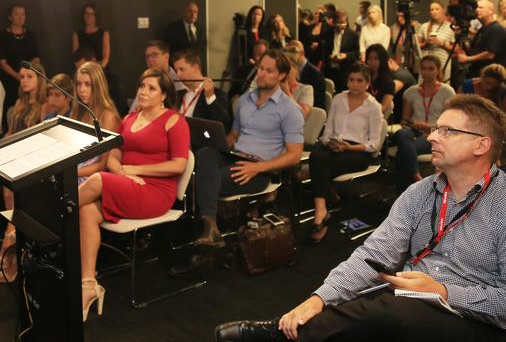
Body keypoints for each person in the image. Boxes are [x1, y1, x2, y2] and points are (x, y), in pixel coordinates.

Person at [215, 94, 506, 342]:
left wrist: (442, 291)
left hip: (474, 318)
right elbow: (374, 253)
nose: (431, 136)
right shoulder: (420, 192)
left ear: (481, 145)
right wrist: (318, 299)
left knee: (394, 314)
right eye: (436, 128)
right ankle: (291, 328)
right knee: (373, 306)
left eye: (447, 131)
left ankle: (282, 335)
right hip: (410, 299)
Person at [77, 68, 189, 321]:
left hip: (156, 192)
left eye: (151, 88)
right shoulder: (129, 118)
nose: (144, 92)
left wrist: (133, 169)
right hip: (126, 183)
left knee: (96, 180)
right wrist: (123, 173)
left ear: (163, 95)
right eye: (142, 86)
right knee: (86, 210)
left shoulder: (174, 120)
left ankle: (54, 211)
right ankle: (88, 285)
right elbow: (114, 154)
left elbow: (179, 165)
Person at [182, 50, 303, 255]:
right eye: (260, 68)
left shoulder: (289, 109)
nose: (261, 74)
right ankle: (210, 227)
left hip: (261, 168)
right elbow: (234, 136)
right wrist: (219, 140)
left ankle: (206, 236)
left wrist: (258, 167)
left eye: (269, 71)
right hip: (236, 156)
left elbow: (295, 155)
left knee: (202, 181)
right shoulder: (245, 100)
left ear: (281, 75)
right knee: (204, 154)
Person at [308, 62, 383, 243]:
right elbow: (326, 135)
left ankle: (321, 209)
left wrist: (348, 147)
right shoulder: (338, 99)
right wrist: (331, 143)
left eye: (360, 80)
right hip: (335, 147)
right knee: (318, 154)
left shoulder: (374, 106)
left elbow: (374, 145)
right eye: (351, 80)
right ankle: (322, 209)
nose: (355, 84)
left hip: (358, 152)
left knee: (319, 163)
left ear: (367, 82)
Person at [0, 60, 48, 283]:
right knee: (5, 183)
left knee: (10, 186)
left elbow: (43, 139)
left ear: (40, 80)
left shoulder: (44, 105)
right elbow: (11, 134)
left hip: (33, 158)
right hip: (16, 157)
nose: (24, 80)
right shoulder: (19, 103)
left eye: (30, 77)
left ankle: (10, 240)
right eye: (22, 77)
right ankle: (11, 236)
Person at [393, 55, 455, 191]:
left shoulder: (447, 92)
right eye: (424, 68)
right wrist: (414, 126)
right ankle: (416, 177)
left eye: (431, 69)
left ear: (438, 70)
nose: (427, 72)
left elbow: (450, 127)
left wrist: (427, 128)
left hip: (438, 133)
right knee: (401, 133)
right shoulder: (411, 92)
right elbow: (404, 120)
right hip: (414, 131)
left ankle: (404, 189)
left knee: (403, 151)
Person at [69, 62, 121, 183]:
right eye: (79, 84)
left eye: (88, 84)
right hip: (73, 172)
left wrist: (70, 173)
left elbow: (102, 165)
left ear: (98, 86)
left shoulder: (108, 116)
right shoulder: (78, 112)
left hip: (91, 180)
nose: (82, 90)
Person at [0, 4, 40, 122]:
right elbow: (2, 62)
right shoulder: (2, 37)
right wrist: (18, 76)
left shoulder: (31, 35)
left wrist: (30, 74)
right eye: (16, 14)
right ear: (10, 17)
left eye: (22, 14)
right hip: (10, 80)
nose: (20, 17)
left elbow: (36, 58)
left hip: (30, 77)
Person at [172, 49, 230, 130]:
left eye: (181, 69)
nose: (178, 75)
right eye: (176, 70)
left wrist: (210, 98)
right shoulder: (178, 95)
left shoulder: (217, 94)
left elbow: (223, 125)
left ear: (196, 68)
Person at [129, 40, 185, 112]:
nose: (150, 59)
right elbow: (132, 111)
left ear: (166, 57)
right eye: (147, 56)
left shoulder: (180, 82)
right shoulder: (145, 80)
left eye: (154, 55)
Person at [73, 46, 128, 116]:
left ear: (93, 60)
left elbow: (122, 110)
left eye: (88, 84)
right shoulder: (79, 109)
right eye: (78, 84)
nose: (81, 89)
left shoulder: (113, 82)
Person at [456, 0, 506, 77]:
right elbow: (476, 48)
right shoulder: (482, 29)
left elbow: (490, 54)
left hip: (490, 76)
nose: (477, 10)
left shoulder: (496, 29)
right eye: (477, 8)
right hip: (478, 73)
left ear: (490, 11)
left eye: (481, 7)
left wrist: (468, 59)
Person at [418, 0, 455, 83]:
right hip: (426, 62)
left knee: (443, 87)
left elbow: (456, 49)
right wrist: (426, 43)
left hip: (443, 62)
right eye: (432, 10)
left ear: (443, 10)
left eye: (437, 9)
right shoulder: (424, 26)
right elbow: (417, 46)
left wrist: (442, 44)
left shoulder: (451, 27)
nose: (434, 12)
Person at [323, 10, 359, 93]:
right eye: (339, 23)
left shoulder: (352, 35)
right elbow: (322, 52)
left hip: (345, 71)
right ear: (334, 22)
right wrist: (329, 57)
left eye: (344, 23)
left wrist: (345, 56)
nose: (341, 26)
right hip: (330, 70)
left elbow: (356, 54)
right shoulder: (326, 33)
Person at [287, 40, 326, 110]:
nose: (291, 56)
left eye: (293, 52)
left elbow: (318, 105)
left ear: (302, 53)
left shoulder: (316, 75)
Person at [72, 3, 111, 69]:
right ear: (83, 15)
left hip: (100, 70)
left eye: (92, 14)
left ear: (96, 16)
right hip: (83, 71)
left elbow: (106, 58)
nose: (89, 17)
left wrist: (97, 71)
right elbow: (76, 58)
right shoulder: (76, 35)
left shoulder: (104, 34)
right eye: (87, 13)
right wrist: (84, 71)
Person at [366, 44, 395, 116]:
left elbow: (383, 108)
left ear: (382, 59)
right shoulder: (363, 78)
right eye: (369, 58)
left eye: (376, 58)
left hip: (376, 117)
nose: (372, 62)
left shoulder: (389, 83)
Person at [282, 51, 313, 117]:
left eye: (287, 68)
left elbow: (302, 114)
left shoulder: (306, 89)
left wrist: (287, 92)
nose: (283, 72)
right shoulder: (272, 88)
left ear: (295, 68)